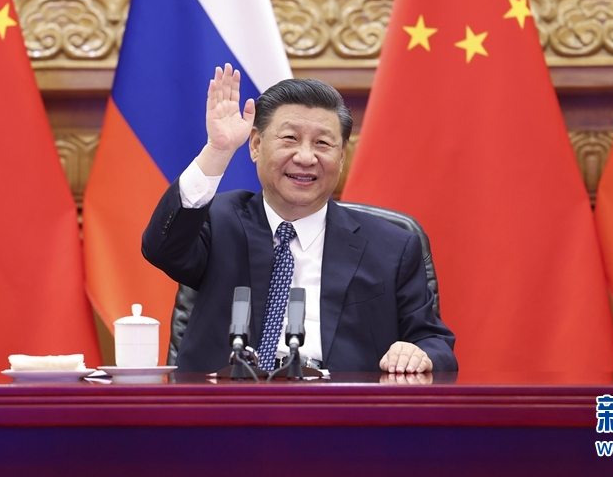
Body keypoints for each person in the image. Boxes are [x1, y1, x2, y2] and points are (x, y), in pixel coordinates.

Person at [142, 64, 457, 373]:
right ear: (256, 145)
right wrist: (218, 151)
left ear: (342, 157)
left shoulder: (392, 246)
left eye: (323, 143)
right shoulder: (217, 220)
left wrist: (418, 353)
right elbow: (161, 248)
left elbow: (433, 342)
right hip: (227, 399)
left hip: (339, 403)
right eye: (290, 138)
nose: (306, 157)